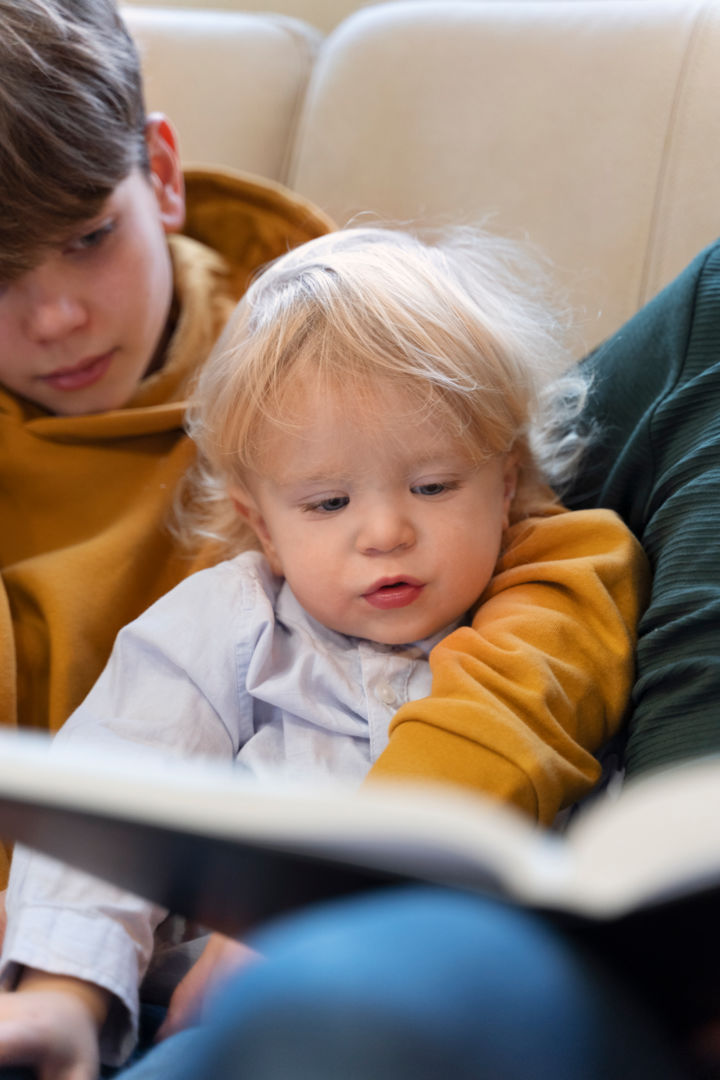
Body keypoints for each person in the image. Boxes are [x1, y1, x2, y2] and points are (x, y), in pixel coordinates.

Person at [0, 225, 647, 1078]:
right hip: (205, 1013)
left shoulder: (550, 589)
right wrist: (64, 991)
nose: (384, 532)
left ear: (508, 477)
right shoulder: (233, 619)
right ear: (262, 526)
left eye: (434, 485)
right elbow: (113, 788)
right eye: (329, 501)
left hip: (457, 996)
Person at [0, 0, 333, 873]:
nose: (56, 318)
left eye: (89, 239)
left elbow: (542, 574)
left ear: (162, 173)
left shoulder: (332, 360)